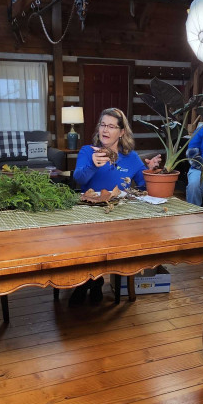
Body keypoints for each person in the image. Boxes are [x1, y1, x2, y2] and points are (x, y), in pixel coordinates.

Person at [71, 107, 162, 305]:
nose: (105, 130)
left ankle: (92, 281)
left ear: (121, 132)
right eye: (103, 125)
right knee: (87, 238)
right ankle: (89, 281)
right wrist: (93, 165)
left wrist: (151, 171)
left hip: (118, 214)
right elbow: (78, 179)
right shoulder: (88, 151)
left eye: (111, 126)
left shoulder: (132, 157)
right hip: (89, 212)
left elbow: (144, 186)